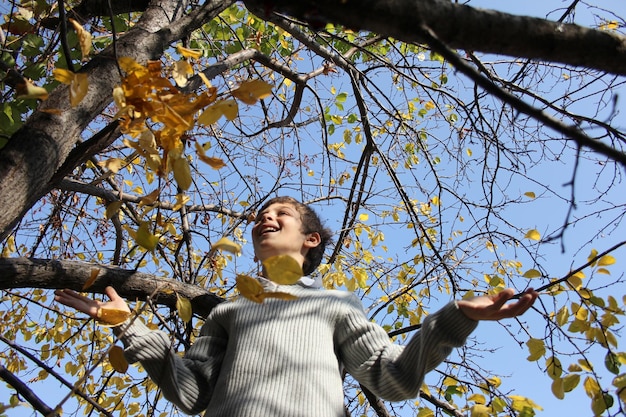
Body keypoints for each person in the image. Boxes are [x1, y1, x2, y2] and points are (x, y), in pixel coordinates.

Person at [55, 196, 538, 417]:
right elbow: (193, 395)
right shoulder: (228, 311)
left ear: (310, 239)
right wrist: (132, 331)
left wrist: (457, 317)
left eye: (280, 213)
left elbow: (393, 379)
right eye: (261, 215)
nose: (265, 217)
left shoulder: (336, 303)